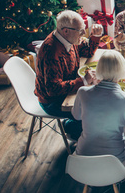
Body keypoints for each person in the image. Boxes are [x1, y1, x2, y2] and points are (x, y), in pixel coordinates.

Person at [71, 51, 125, 175]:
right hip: (115, 165)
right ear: (122, 71)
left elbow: (76, 116)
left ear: (99, 69)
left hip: (82, 160)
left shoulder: (82, 92)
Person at [35, 10, 103, 140]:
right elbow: (52, 90)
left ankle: (78, 127)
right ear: (66, 30)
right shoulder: (51, 51)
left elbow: (87, 51)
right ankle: (72, 127)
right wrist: (83, 80)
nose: (84, 34)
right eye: (80, 30)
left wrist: (96, 36)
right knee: (94, 112)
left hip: (69, 91)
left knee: (97, 104)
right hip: (53, 102)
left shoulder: (69, 39)